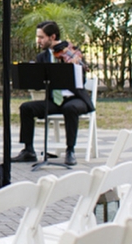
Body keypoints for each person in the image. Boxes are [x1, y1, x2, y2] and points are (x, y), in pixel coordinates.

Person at [13, 20, 95, 167]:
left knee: (69, 109)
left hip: (75, 98)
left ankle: (70, 150)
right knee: (26, 108)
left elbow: (80, 80)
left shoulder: (71, 51)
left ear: (52, 37)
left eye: (41, 37)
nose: (38, 41)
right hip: (54, 101)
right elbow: (40, 85)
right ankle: (28, 150)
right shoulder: (42, 57)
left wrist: (75, 66)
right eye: (37, 37)